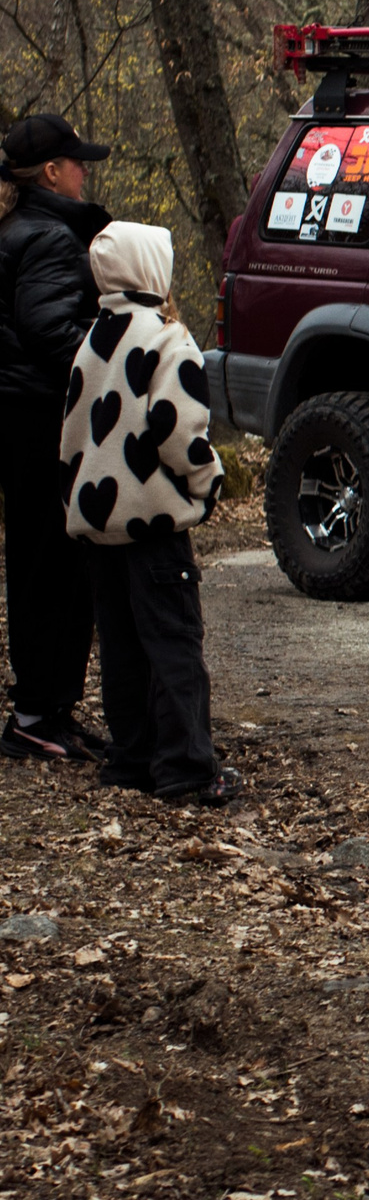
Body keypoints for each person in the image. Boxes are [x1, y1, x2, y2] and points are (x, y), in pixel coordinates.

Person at [57, 223, 236, 805]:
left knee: (122, 647)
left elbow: (72, 436)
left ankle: (131, 758)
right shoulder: (165, 338)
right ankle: (186, 766)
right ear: (152, 270)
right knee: (174, 642)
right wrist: (206, 481)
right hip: (153, 522)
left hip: (100, 525)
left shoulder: (92, 342)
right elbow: (178, 428)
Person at [0, 114, 113, 763]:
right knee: (53, 566)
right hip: (41, 419)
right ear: (49, 172)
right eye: (76, 162)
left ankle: (45, 710)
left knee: (40, 561)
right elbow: (47, 328)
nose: (83, 171)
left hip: (23, 416)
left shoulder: (21, 227)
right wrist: (115, 364)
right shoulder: (47, 235)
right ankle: (39, 713)